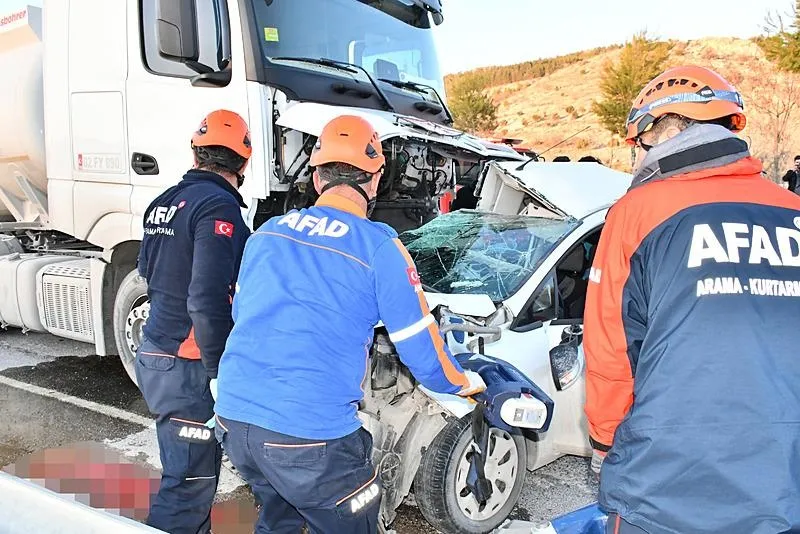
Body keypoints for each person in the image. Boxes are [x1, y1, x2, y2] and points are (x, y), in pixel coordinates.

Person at [213, 115, 486, 534]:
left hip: (235, 420)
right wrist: (465, 383)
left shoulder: (266, 234)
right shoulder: (379, 246)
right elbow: (420, 347)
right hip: (310, 438)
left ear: (318, 177)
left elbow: (243, 316)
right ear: (374, 182)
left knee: (280, 518)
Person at [584, 65, 800, 534]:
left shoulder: (638, 211)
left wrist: (604, 440)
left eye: (641, 143)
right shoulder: (793, 211)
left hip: (666, 483)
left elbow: (611, 349)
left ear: (666, 129)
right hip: (785, 482)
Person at [135, 109, 252, 534]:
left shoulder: (161, 203)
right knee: (187, 489)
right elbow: (206, 298)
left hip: (156, 353)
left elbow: (147, 272)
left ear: (195, 151)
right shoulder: (218, 207)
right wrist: (219, 372)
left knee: (187, 479)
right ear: (245, 159)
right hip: (188, 365)